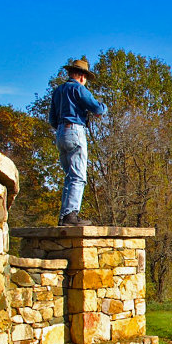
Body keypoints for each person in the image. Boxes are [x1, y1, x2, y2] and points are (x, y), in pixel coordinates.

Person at [48, 58, 108, 226]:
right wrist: (103, 107)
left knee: (69, 176)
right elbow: (97, 108)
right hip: (75, 130)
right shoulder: (78, 89)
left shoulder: (58, 91)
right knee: (78, 176)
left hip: (60, 132)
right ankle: (70, 216)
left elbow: (52, 118)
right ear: (82, 76)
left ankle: (64, 216)